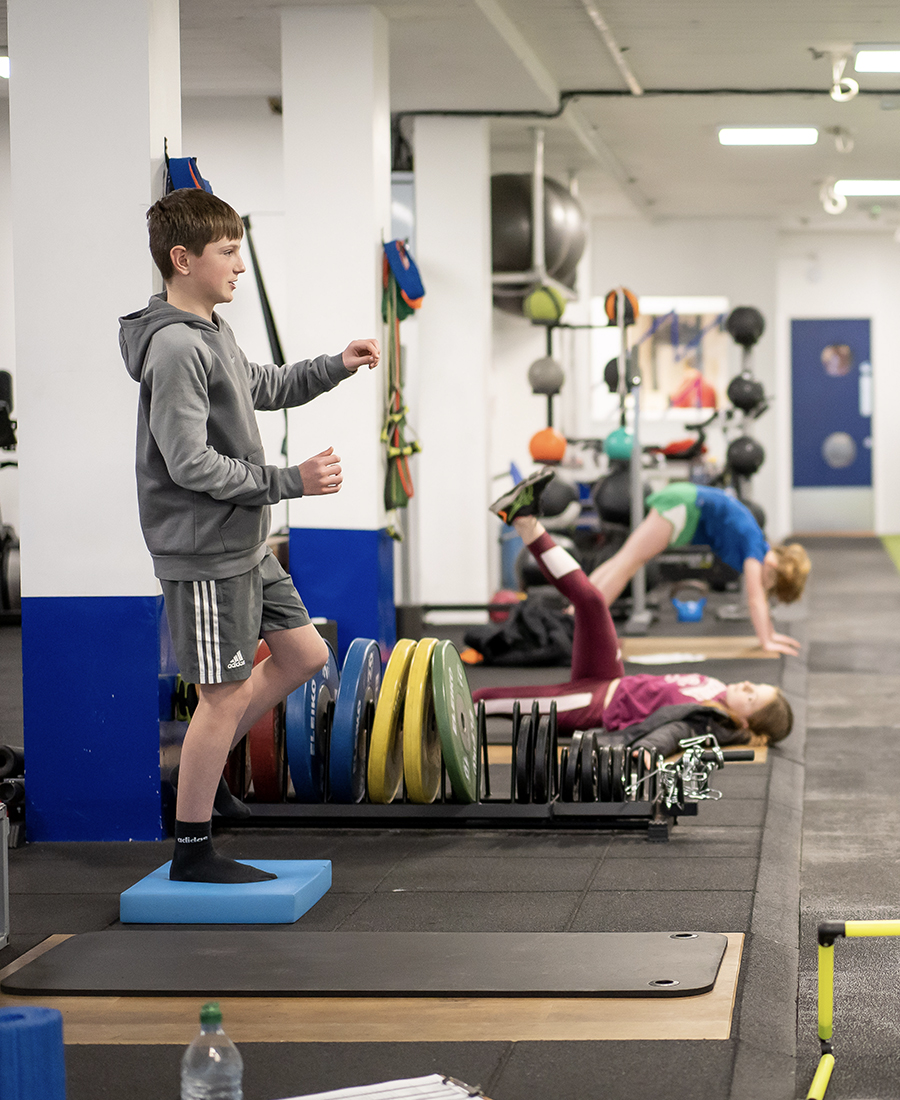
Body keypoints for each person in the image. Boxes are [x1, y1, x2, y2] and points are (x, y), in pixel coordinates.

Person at [120, 188, 380, 883]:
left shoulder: (211, 333)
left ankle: (201, 783)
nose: (239, 263)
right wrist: (289, 480)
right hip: (205, 552)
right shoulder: (174, 347)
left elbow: (262, 385)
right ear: (183, 259)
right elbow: (188, 462)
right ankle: (193, 846)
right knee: (222, 696)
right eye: (227, 251)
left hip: (242, 544)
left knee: (300, 655)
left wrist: (336, 364)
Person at [478, 469, 793, 749]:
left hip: (595, 705)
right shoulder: (717, 690)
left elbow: (670, 734)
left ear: (746, 723)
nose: (748, 685)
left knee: (499, 700)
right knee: (593, 600)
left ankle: (446, 707)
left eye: (752, 697)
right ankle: (524, 519)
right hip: (609, 675)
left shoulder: (706, 719)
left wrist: (643, 750)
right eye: (757, 685)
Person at [588, 480, 810, 656]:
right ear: (772, 565)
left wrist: (772, 635)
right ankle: (582, 621)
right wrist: (766, 641)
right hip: (684, 505)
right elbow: (755, 599)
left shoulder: (759, 543)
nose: (763, 587)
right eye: (768, 582)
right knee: (626, 565)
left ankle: (577, 612)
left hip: (685, 499)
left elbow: (759, 598)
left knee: (623, 561)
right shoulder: (755, 549)